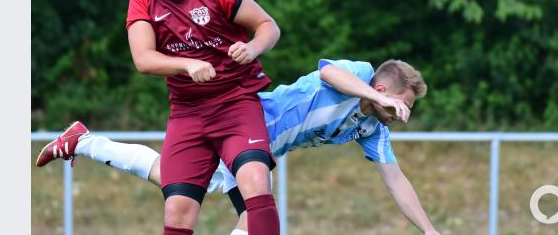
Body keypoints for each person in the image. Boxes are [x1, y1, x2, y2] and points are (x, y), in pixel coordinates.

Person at [37, 59, 441, 235]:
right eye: (402, 103)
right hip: (244, 124)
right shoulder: (360, 75)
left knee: (173, 178)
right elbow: (327, 72)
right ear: (383, 88)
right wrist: (384, 99)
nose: (401, 113)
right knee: (259, 217)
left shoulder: (373, 127)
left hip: (258, 147)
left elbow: (396, 179)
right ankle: (84, 141)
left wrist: (428, 229)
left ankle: (83, 141)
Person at [91, 0, 281, 235]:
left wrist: (253, 47)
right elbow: (143, 59)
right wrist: (187, 64)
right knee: (177, 211)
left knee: (256, 180)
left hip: (235, 102)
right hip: (188, 113)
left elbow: (269, 26)